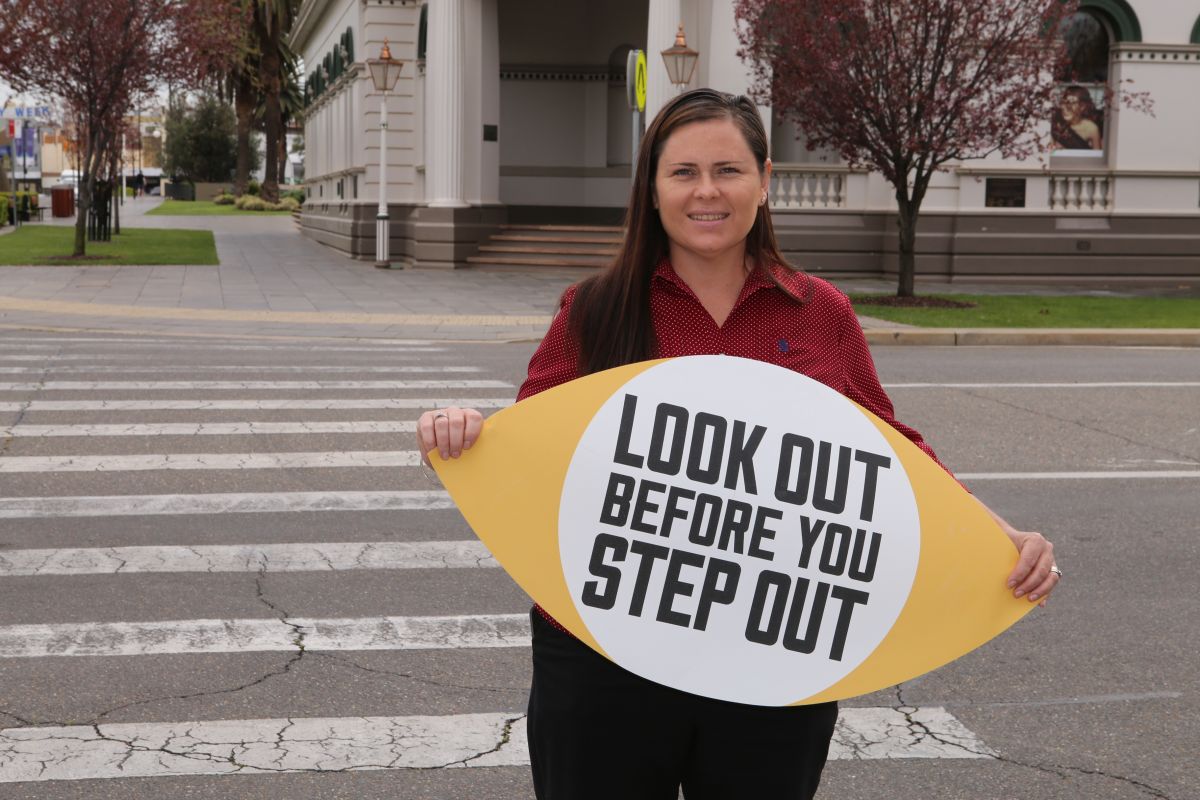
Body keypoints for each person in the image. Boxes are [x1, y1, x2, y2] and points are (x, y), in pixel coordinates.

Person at [417, 88, 1060, 800]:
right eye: (683, 172)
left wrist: (996, 535)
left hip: (774, 650)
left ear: (764, 179)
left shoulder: (821, 312)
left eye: (727, 170)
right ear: (653, 188)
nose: (706, 192)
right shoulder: (595, 308)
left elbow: (892, 453)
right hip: (604, 649)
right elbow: (535, 446)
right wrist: (465, 435)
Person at [1052, 85, 1103, 150]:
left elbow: (1096, 156)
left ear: (1082, 107)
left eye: (1072, 103)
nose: (1065, 108)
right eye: (1063, 102)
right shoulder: (1057, 124)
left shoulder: (1092, 128)